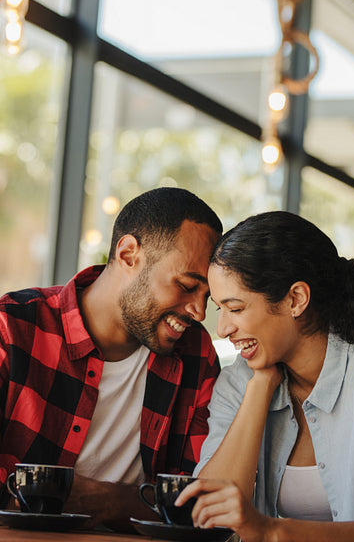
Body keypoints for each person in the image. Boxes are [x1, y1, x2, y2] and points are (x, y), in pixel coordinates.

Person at [0, 187, 223, 529]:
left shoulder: (197, 355)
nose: (199, 311)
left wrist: (110, 501)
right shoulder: (12, 328)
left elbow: (196, 503)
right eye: (186, 285)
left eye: (208, 296)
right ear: (129, 254)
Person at [176, 211, 354, 542]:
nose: (222, 329)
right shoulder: (241, 380)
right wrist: (261, 387)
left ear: (295, 299)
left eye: (235, 309)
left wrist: (271, 532)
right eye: (219, 309)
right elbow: (208, 518)